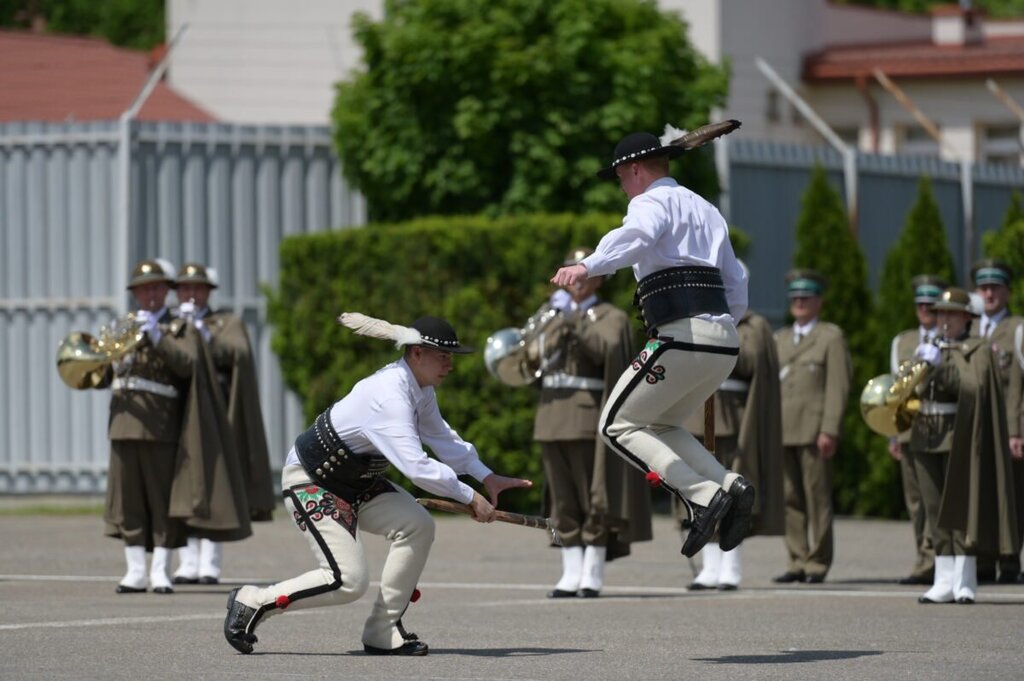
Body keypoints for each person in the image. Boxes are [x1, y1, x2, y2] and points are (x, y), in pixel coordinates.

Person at [224, 314, 532, 656]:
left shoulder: (420, 389)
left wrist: (486, 476)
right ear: (416, 353)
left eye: (451, 357)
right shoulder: (389, 396)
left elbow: (442, 439)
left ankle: (383, 630)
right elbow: (417, 467)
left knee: (417, 525)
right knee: (347, 581)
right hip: (313, 481)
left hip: (358, 482)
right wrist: (470, 496)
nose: (450, 365)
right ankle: (253, 601)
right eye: (443, 356)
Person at [550, 131, 753, 559]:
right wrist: (721, 328)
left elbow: (637, 237)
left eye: (621, 178)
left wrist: (588, 265)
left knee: (615, 425)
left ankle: (700, 496)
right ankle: (729, 485)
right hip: (723, 342)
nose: (622, 187)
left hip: (682, 336)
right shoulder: (707, 209)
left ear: (635, 170)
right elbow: (736, 280)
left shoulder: (649, 203)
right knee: (661, 424)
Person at [535, 247, 652, 599]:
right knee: (562, 497)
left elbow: (607, 351)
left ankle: (592, 569)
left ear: (598, 278)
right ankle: (570, 569)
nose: (577, 282)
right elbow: (533, 358)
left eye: (583, 274)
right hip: (552, 414)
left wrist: (571, 320)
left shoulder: (610, 316)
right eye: (572, 273)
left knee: (595, 495)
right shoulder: (553, 314)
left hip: (587, 414)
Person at [911, 287, 1019, 603]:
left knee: (959, 508)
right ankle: (943, 578)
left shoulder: (978, 350)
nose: (944, 320)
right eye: (940, 313)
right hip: (926, 435)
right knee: (933, 509)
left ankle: (964, 577)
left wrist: (940, 368)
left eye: (951, 314)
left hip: (959, 436)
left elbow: (971, 388)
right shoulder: (930, 346)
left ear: (967, 318)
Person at [171, 263, 276, 586]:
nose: (191, 294)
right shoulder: (170, 324)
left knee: (217, 487)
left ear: (208, 292)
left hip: (214, 415)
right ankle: (186, 560)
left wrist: (204, 336)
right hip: (179, 412)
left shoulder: (224, 322)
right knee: (182, 487)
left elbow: (239, 353)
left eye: (197, 288)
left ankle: (210, 563)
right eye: (185, 288)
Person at [98, 259, 192, 594]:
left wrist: (157, 337)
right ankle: (135, 570)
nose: (150, 294)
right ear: (135, 293)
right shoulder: (122, 326)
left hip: (159, 426)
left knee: (161, 498)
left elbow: (187, 365)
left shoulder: (179, 327)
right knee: (128, 501)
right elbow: (103, 376)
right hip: (123, 423)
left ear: (166, 291)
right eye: (143, 288)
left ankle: (160, 571)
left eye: (156, 287)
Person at [681, 297, 784, 591]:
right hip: (694, 414)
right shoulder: (692, 314)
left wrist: (722, 331)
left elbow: (752, 362)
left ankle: (731, 566)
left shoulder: (753, 324)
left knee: (730, 491)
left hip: (730, 415)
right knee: (700, 493)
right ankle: (709, 567)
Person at [773, 270, 851, 584]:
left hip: (813, 429)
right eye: (795, 298)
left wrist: (830, 428)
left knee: (817, 498)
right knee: (789, 498)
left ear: (819, 301)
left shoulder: (830, 337)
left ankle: (817, 562)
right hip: (783, 428)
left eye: (806, 297)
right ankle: (797, 558)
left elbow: (838, 387)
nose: (800, 302)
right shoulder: (779, 338)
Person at [887, 274, 946, 585]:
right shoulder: (904, 341)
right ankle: (924, 558)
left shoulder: (951, 337)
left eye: (930, 303)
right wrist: (892, 433)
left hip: (941, 428)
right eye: (920, 303)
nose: (925, 309)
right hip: (910, 429)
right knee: (915, 500)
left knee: (937, 496)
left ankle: (939, 558)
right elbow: (896, 391)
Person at [970, 259, 1024, 583]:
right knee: (982, 494)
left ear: (1007, 291)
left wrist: (1016, 430)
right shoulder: (969, 328)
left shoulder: (1017, 328)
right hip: (976, 427)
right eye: (983, 287)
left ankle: (1010, 560)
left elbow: (1019, 384)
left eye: (995, 287)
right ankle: (984, 559)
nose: (989, 293)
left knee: (1013, 496)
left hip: (1007, 427)